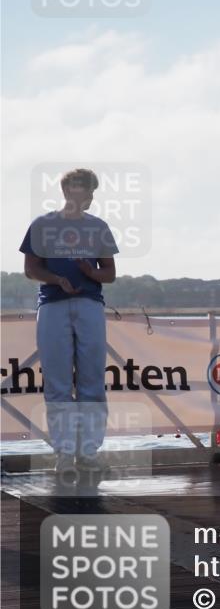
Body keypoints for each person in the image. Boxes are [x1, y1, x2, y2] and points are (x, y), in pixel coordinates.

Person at [20, 168, 119, 473]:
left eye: (90, 190)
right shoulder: (42, 225)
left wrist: (91, 273)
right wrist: (57, 279)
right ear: (67, 191)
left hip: (90, 304)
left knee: (92, 380)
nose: (89, 195)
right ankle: (64, 452)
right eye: (85, 189)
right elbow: (30, 269)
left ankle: (88, 452)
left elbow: (110, 274)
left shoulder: (99, 227)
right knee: (58, 382)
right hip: (52, 305)